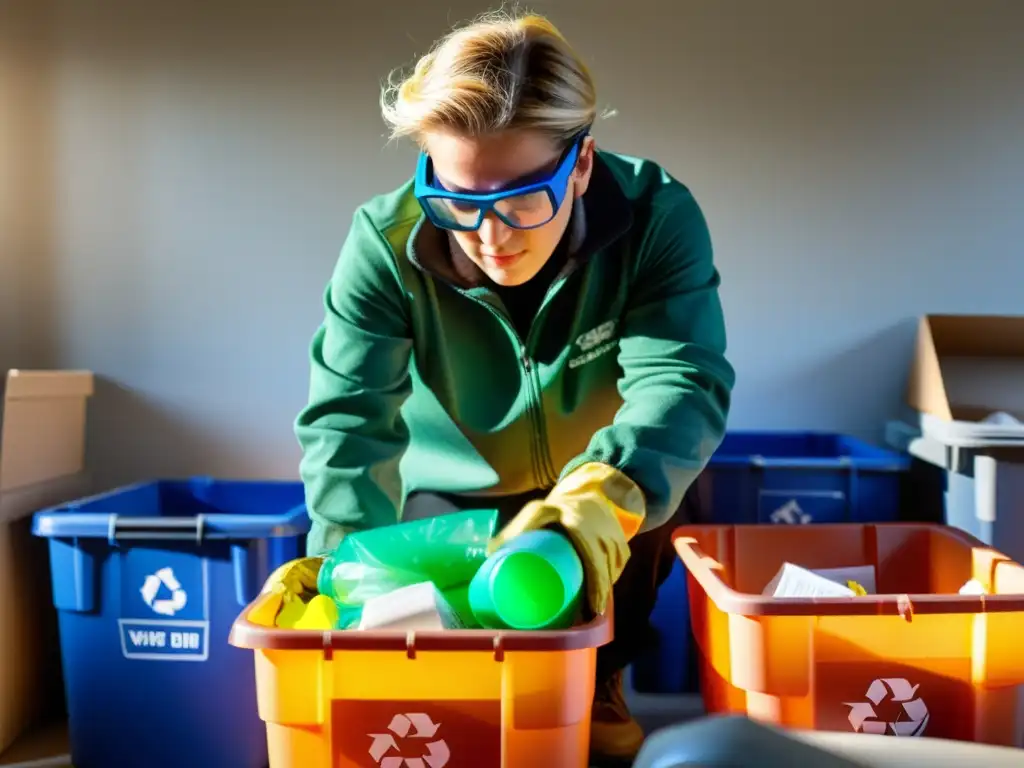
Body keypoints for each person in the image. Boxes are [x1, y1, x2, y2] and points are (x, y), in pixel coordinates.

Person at [265, 10, 734, 763]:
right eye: (458, 201)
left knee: (664, 484)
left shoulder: (656, 217)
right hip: (450, 498)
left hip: (594, 482)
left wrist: (597, 502)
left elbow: (681, 381)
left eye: (522, 200)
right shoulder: (383, 245)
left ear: (580, 165)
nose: (490, 236)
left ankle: (602, 676)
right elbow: (349, 418)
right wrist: (336, 571)